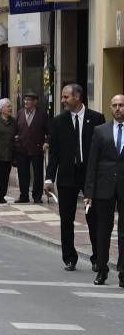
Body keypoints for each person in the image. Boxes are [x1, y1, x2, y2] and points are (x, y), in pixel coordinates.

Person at [45, 84, 106, 272]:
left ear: (77, 97)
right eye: (62, 97)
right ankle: (69, 258)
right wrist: (49, 178)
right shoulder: (58, 121)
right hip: (67, 176)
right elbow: (54, 152)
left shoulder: (96, 118)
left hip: (89, 176)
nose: (62, 100)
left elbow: (103, 150)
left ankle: (98, 258)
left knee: (93, 217)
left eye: (65, 97)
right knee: (66, 219)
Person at [84, 94, 124, 287]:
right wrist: (89, 193)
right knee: (103, 231)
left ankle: (123, 272)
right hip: (103, 187)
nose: (118, 108)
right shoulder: (100, 131)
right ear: (110, 108)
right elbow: (92, 163)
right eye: (115, 105)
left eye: (121, 105)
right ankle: (101, 270)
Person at [14, 91, 50, 203]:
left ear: (35, 102)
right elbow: (16, 129)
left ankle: (37, 196)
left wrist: (47, 142)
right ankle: (24, 195)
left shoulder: (42, 114)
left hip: (37, 147)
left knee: (38, 174)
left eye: (29, 100)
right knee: (23, 173)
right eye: (25, 99)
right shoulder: (19, 113)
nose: (26, 102)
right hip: (22, 147)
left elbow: (50, 131)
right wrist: (15, 137)